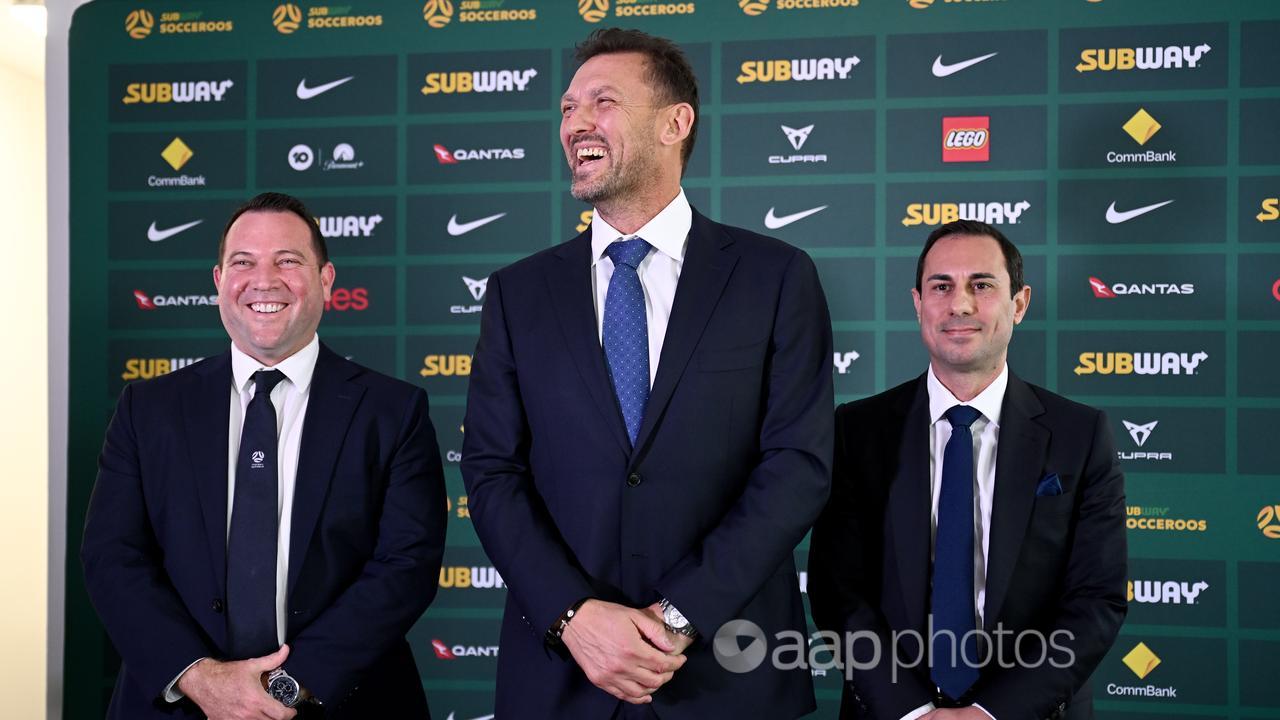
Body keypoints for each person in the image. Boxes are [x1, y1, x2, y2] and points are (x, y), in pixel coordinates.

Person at [461, 27, 834, 720]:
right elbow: (491, 472)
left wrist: (678, 616)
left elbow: (797, 467)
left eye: (601, 102)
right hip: (562, 676)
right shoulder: (518, 293)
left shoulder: (774, 278)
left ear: (675, 122)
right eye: (568, 109)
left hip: (727, 674)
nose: (575, 124)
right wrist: (574, 616)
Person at [82, 192, 448, 719]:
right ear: (218, 282)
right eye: (243, 262)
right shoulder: (149, 408)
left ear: (325, 281)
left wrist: (283, 688)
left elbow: (405, 567)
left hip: (339, 701)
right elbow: (112, 557)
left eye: (288, 261)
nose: (263, 280)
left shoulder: (392, 411)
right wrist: (202, 679)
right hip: (179, 703)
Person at [808, 219, 1127, 720]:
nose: (960, 304)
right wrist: (912, 711)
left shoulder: (1081, 436)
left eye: (981, 285)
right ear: (918, 304)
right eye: (942, 287)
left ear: (1019, 304)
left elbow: (1095, 602)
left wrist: (991, 713)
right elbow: (837, 591)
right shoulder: (856, 431)